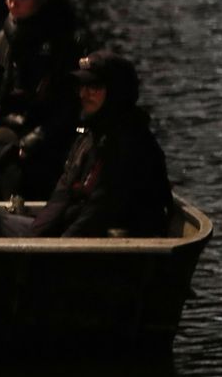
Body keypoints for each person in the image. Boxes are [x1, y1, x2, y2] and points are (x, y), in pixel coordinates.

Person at [26, 51, 174, 238]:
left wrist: (56, 250)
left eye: (93, 86)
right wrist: (32, 240)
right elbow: (61, 195)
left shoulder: (129, 143)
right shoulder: (90, 134)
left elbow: (101, 210)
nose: (83, 94)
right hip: (75, 231)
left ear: (115, 92)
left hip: (111, 243)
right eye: (81, 86)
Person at [0, 0, 85, 199]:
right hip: (9, 128)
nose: (13, 4)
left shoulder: (66, 43)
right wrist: (5, 118)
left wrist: (34, 138)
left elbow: (69, 104)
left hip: (52, 132)